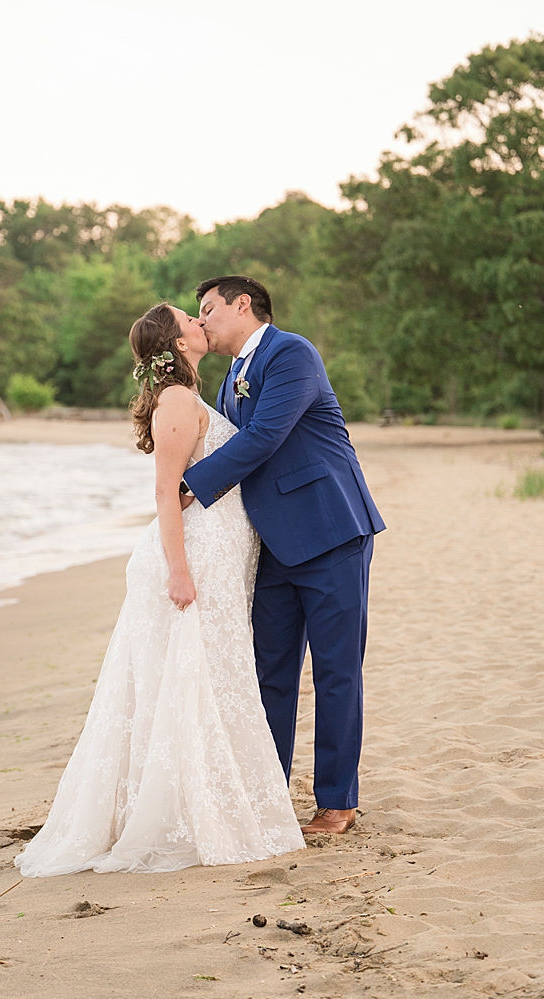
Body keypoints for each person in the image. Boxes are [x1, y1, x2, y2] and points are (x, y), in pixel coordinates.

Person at [14, 302, 304, 876]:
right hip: (189, 557)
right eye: (190, 320)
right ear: (176, 344)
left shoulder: (195, 396)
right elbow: (166, 492)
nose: (201, 323)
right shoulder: (176, 402)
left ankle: (207, 804)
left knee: (210, 678)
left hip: (218, 556)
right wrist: (178, 569)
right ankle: (184, 817)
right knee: (190, 679)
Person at [182, 275, 384, 835]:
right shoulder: (229, 379)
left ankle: (337, 802)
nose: (202, 323)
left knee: (337, 670)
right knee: (270, 672)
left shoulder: (291, 353)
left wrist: (189, 487)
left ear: (242, 305)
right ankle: (268, 795)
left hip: (329, 533)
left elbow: (265, 436)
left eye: (208, 310)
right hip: (270, 546)